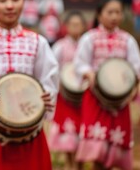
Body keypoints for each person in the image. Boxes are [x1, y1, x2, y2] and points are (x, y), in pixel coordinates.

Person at [0, 0, 59, 170]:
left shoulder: (37, 41)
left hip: (28, 129)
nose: (10, 6)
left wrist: (46, 98)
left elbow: (48, 79)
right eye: (2, 0)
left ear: (24, 0)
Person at [74, 0, 140, 170]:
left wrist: (130, 80)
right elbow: (80, 63)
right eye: (109, 12)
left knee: (116, 139)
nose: (114, 16)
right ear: (99, 14)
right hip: (96, 97)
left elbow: (137, 66)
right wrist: (89, 74)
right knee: (98, 143)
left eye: (118, 12)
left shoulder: (127, 39)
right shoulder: (90, 38)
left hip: (120, 100)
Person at [49, 10, 87, 170]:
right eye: (72, 24)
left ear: (84, 26)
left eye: (79, 24)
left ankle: (80, 164)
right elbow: (52, 69)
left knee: (82, 132)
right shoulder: (60, 46)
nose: (75, 27)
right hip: (65, 96)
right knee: (68, 132)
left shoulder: (86, 45)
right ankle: (69, 164)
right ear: (66, 27)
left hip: (84, 96)